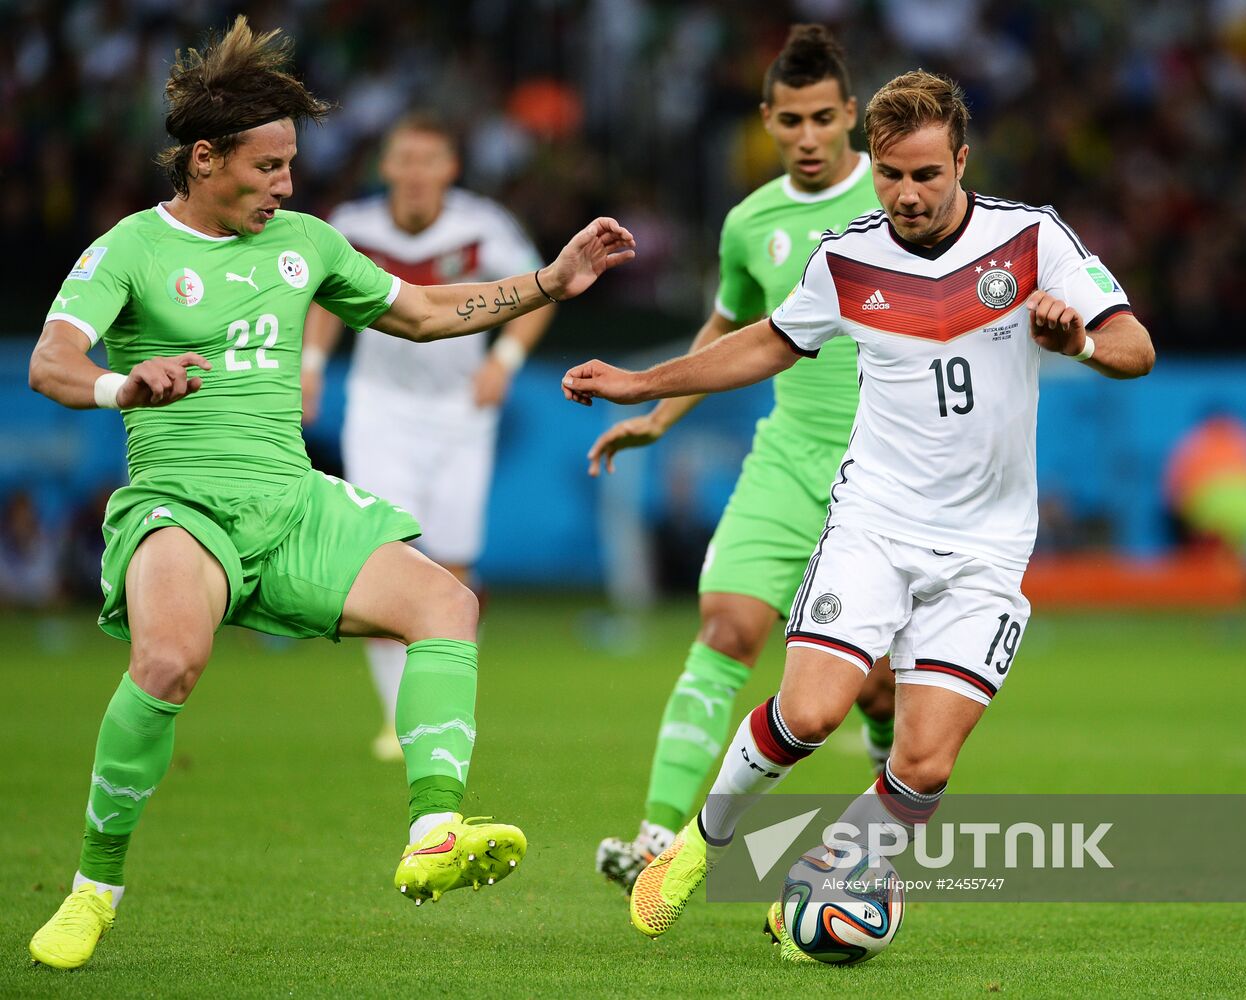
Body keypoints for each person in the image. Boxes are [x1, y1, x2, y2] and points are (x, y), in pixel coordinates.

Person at [26, 17, 633, 971]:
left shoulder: (307, 244)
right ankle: (94, 888)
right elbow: (52, 361)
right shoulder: (131, 249)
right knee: (171, 665)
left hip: (293, 501)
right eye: (269, 166)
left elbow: (426, 312)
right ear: (203, 158)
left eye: (292, 164)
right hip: (182, 506)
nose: (288, 185)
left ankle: (435, 828)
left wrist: (551, 281)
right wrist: (122, 384)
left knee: (447, 604)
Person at [562, 69, 1154, 956]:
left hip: (988, 549)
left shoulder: (1032, 240)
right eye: (890, 175)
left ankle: (821, 880)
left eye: (925, 174)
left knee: (924, 765)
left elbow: (1136, 348)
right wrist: (643, 383)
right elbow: (765, 342)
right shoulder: (847, 259)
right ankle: (699, 845)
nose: (907, 194)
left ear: (962, 159)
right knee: (809, 713)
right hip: (875, 521)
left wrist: (1081, 342)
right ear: (872, 166)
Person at [588, 25, 896, 893]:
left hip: (883, 479)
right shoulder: (750, 222)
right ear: (766, 119)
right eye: (789, 120)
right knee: (726, 626)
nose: (805, 136)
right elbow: (727, 333)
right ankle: (656, 836)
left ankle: (885, 820)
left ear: (852, 119)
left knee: (875, 690)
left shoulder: (904, 198)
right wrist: (658, 417)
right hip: (787, 460)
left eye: (823, 119)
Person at [301, 113, 554, 763]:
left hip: (459, 412)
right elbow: (327, 300)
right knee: (388, 558)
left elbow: (540, 291)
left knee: (458, 568)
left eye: (429, 160)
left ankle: (445, 704)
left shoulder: (482, 226)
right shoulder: (353, 227)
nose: (415, 174)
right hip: (380, 410)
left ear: (451, 168)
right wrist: (310, 366)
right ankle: (396, 718)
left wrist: (503, 361)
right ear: (385, 167)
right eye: (404, 160)